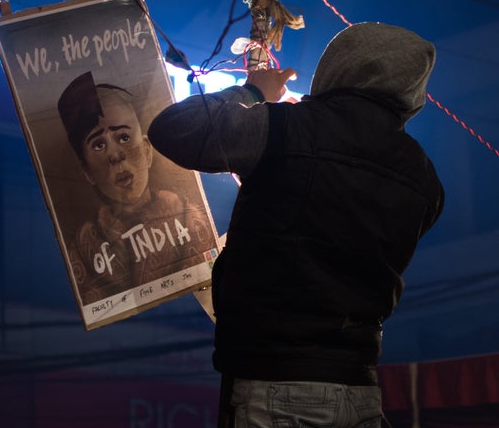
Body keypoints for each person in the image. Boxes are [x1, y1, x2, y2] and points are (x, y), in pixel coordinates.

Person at [148, 22, 444, 427]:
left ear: (338, 65)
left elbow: (173, 129)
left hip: (275, 387)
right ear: (411, 90)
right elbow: (335, 223)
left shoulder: (287, 128)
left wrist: (255, 91)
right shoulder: (425, 179)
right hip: (360, 391)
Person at [57, 71, 214, 305]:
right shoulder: (85, 247)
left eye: (123, 137)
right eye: (99, 145)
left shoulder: (187, 215)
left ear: (148, 150)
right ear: (87, 171)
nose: (115, 155)